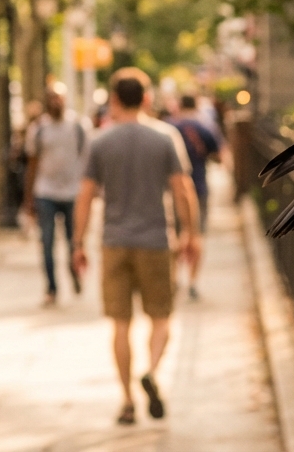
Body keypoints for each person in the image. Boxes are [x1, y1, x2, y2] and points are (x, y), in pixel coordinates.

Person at [73, 68, 201, 426]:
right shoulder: (164, 138)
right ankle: (152, 371)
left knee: (120, 325)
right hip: (157, 241)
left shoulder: (100, 142)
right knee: (161, 318)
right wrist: (190, 232)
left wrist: (77, 241)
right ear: (147, 98)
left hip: (114, 242)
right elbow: (182, 189)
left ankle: (127, 399)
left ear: (113, 100)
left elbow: (84, 196)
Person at [24, 88, 90, 305]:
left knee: (74, 240)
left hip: (73, 192)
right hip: (46, 192)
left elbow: (87, 161)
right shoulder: (38, 130)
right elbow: (32, 164)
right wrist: (29, 199)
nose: (56, 102)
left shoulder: (78, 126)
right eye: (51, 98)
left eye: (59, 98)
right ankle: (51, 287)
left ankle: (75, 274)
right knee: (47, 242)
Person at [170, 95, 220, 300]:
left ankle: (173, 277)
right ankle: (192, 282)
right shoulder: (205, 127)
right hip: (198, 188)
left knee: (173, 235)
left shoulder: (169, 128)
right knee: (196, 235)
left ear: (179, 105)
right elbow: (220, 155)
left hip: (172, 190)